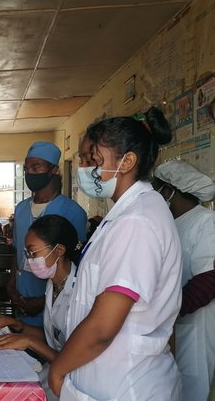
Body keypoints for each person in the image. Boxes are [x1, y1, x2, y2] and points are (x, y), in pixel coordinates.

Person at [49, 108, 182, 399]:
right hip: (116, 378)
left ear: (127, 162)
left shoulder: (137, 221)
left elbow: (103, 327)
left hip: (127, 385)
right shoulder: (133, 213)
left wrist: (57, 370)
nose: (83, 168)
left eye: (91, 160)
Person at [0, 215, 79, 401]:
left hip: (69, 385)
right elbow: (54, 336)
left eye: (33, 253)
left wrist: (29, 342)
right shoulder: (54, 284)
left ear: (59, 250)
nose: (29, 261)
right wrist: (14, 324)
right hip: (50, 378)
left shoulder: (79, 293)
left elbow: (71, 359)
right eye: (26, 254)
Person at [153, 159, 215, 401]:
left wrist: (171, 310)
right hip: (170, 325)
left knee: (191, 388)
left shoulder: (206, 222)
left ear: (169, 191)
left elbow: (209, 278)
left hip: (194, 327)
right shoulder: (168, 223)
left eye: (158, 189)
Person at [7, 141, 87, 328]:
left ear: (54, 170)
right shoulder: (21, 209)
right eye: (27, 168)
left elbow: (77, 263)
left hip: (56, 301)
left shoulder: (72, 211)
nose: (30, 173)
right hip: (22, 297)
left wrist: (43, 300)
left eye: (36, 167)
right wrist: (11, 285)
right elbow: (17, 250)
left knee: (51, 347)